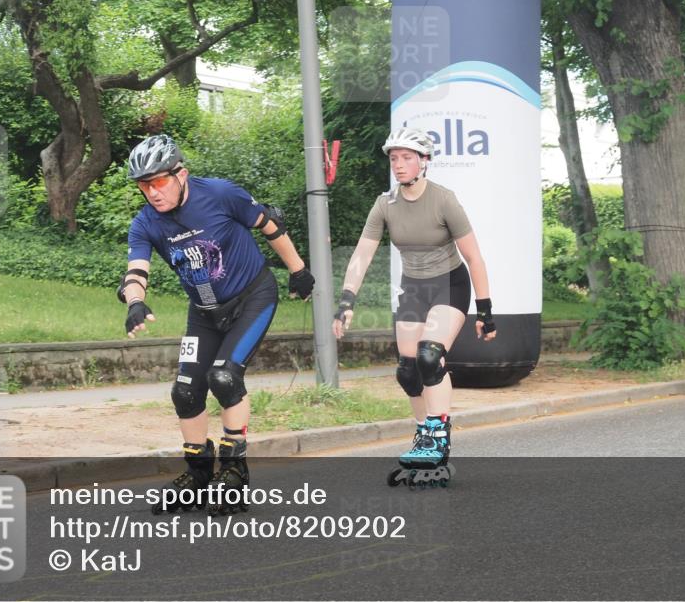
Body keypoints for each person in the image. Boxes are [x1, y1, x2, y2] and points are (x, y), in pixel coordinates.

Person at [119, 134, 314, 515]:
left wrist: (298, 270)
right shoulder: (145, 223)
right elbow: (135, 272)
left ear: (181, 174)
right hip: (204, 312)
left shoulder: (221, 194)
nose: (153, 192)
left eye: (159, 182)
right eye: (144, 185)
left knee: (224, 377)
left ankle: (234, 471)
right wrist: (135, 303)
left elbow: (270, 225)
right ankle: (198, 474)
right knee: (185, 391)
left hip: (253, 297)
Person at [332, 127, 496, 483]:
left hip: (449, 285)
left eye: (407, 157)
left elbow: (474, 257)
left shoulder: (444, 200)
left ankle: (438, 435)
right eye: (394, 158)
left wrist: (485, 311)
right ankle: (423, 434)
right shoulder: (385, 204)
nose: (399, 164)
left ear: (424, 161)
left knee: (429, 356)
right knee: (408, 371)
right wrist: (346, 300)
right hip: (413, 288)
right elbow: (362, 254)